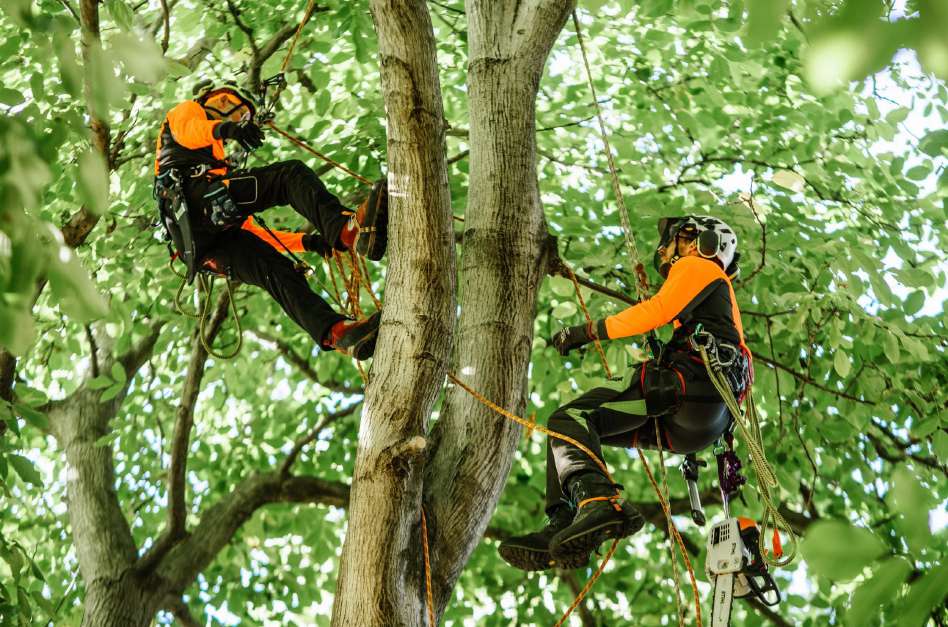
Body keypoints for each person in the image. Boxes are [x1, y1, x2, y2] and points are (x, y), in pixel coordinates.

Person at [499, 216, 752, 571]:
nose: (666, 249)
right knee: (575, 432)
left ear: (701, 241)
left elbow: (656, 311)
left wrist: (585, 332)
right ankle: (565, 521)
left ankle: (598, 502)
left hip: (688, 388)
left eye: (674, 240)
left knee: (569, 419)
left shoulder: (699, 266)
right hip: (700, 423)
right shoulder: (715, 299)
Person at [153, 83, 387, 359]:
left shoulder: (215, 169)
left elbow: (250, 231)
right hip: (194, 203)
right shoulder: (188, 112)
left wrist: (308, 242)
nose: (232, 115)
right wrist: (226, 129)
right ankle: (348, 231)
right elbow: (190, 132)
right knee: (289, 176)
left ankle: (338, 333)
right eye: (228, 104)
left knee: (275, 271)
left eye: (240, 116)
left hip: (203, 245)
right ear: (207, 98)